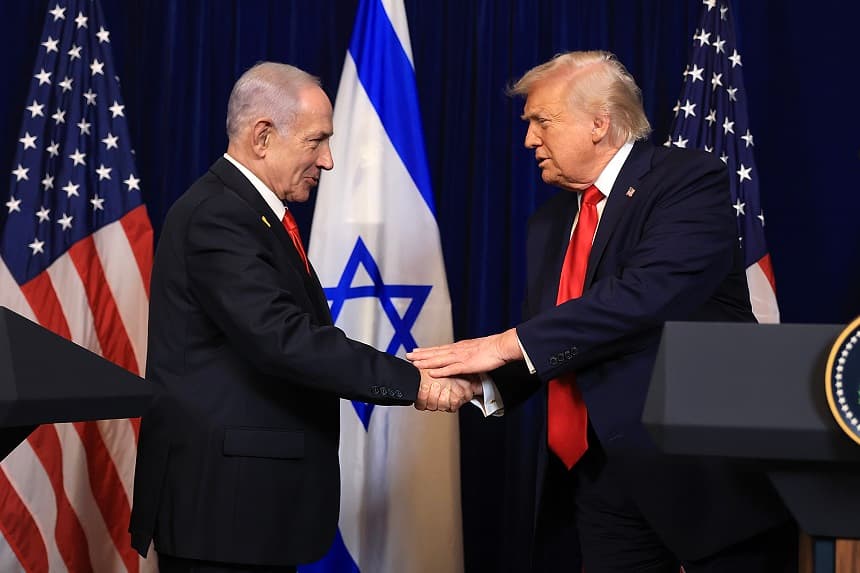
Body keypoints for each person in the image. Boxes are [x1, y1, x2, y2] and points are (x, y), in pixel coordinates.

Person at [408, 51, 795, 572]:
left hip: (699, 478)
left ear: (599, 123)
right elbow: (554, 338)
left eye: (542, 122)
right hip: (598, 479)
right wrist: (482, 384)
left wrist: (500, 345)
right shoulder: (549, 222)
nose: (528, 140)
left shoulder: (686, 181)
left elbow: (646, 294)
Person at [129, 62, 473, 573]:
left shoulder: (251, 213)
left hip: (249, 512)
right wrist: (415, 382)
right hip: (224, 514)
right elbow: (284, 339)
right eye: (317, 141)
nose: (328, 160)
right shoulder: (219, 215)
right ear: (262, 136)